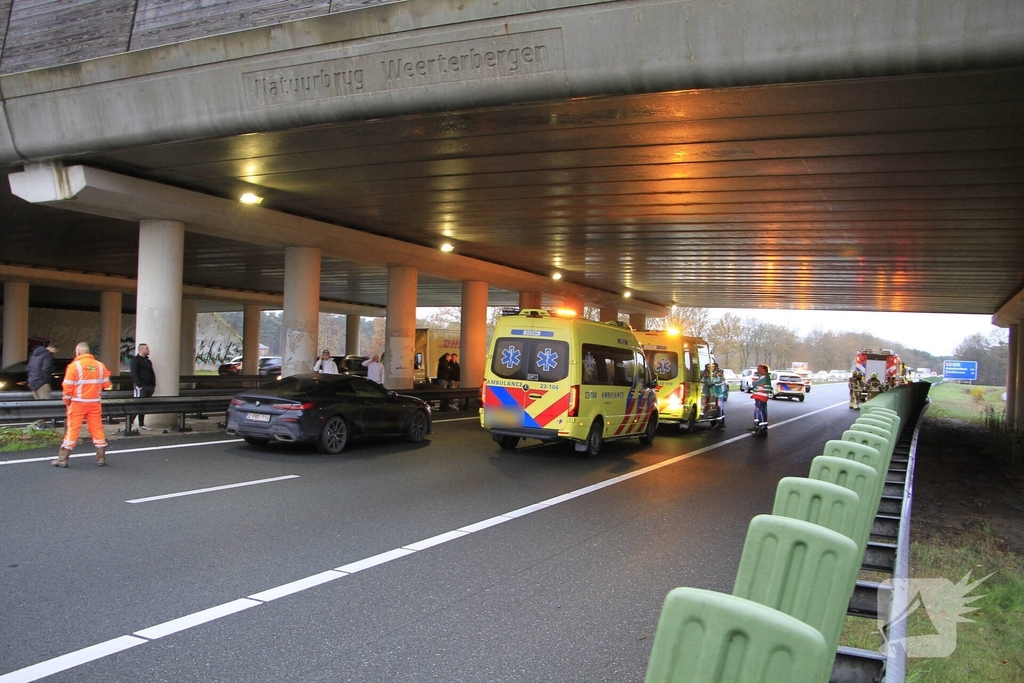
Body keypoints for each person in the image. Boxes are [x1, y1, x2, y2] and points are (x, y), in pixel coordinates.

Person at [54, 342, 112, 467]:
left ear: (78, 352)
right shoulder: (100, 366)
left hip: (78, 403)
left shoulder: (74, 366)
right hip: (94, 403)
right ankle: (101, 457)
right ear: (88, 352)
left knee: (73, 429)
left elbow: (67, 386)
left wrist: (67, 400)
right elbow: (106, 385)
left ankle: (62, 459)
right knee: (97, 429)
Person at [129, 343, 156, 431]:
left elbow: (152, 373)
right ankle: (130, 422)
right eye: (147, 349)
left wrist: (153, 384)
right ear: (141, 350)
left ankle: (141, 424)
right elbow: (134, 373)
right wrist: (138, 384)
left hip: (149, 386)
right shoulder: (135, 360)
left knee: (144, 406)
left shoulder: (148, 361)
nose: (149, 350)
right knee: (138, 405)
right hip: (141, 386)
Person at [749, 364, 771, 437]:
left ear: (764, 370)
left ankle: (762, 429)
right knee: (761, 411)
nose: (758, 370)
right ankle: (760, 427)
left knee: (761, 411)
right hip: (761, 396)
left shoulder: (764, 377)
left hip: (761, 396)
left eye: (759, 369)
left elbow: (754, 383)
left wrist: (754, 381)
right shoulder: (765, 377)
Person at [709, 363, 726, 429]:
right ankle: (722, 422)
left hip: (720, 393)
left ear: (716, 366)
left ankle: (720, 423)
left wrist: (714, 384)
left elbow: (722, 381)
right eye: (711, 366)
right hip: (716, 393)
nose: (712, 367)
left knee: (719, 408)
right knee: (719, 408)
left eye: (713, 366)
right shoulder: (713, 373)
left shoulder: (719, 373)